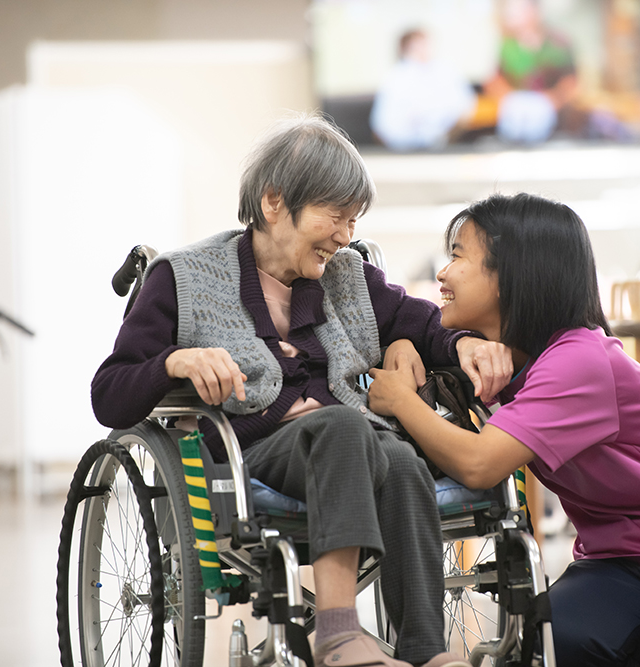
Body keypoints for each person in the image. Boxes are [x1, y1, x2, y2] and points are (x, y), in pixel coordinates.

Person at [90, 114, 511, 667]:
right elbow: (110, 393)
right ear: (273, 202)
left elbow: (420, 321)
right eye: (335, 215)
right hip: (253, 452)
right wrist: (176, 360)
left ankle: (425, 652)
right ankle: (337, 635)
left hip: (356, 444)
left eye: (354, 220)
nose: (345, 235)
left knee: (404, 461)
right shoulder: (185, 279)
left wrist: (458, 347)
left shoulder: (347, 276)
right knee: (343, 427)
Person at [367, 192, 640, 666]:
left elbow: (480, 464)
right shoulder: (502, 356)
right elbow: (409, 324)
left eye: (458, 256)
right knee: (547, 644)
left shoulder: (578, 360)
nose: (442, 274)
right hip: (614, 566)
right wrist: (404, 341)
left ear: (513, 275)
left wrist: (401, 400)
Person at [484, 0, 579, 143]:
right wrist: (511, 99)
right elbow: (494, 81)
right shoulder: (507, 45)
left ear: (535, 11)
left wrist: (553, 100)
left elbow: (571, 81)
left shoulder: (558, 43)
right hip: (516, 113)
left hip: (553, 117)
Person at [369, 29, 477, 151]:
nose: (423, 50)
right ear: (404, 50)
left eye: (424, 44)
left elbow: (464, 106)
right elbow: (383, 124)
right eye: (416, 46)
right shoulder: (395, 78)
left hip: (445, 143)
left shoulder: (445, 72)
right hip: (402, 147)